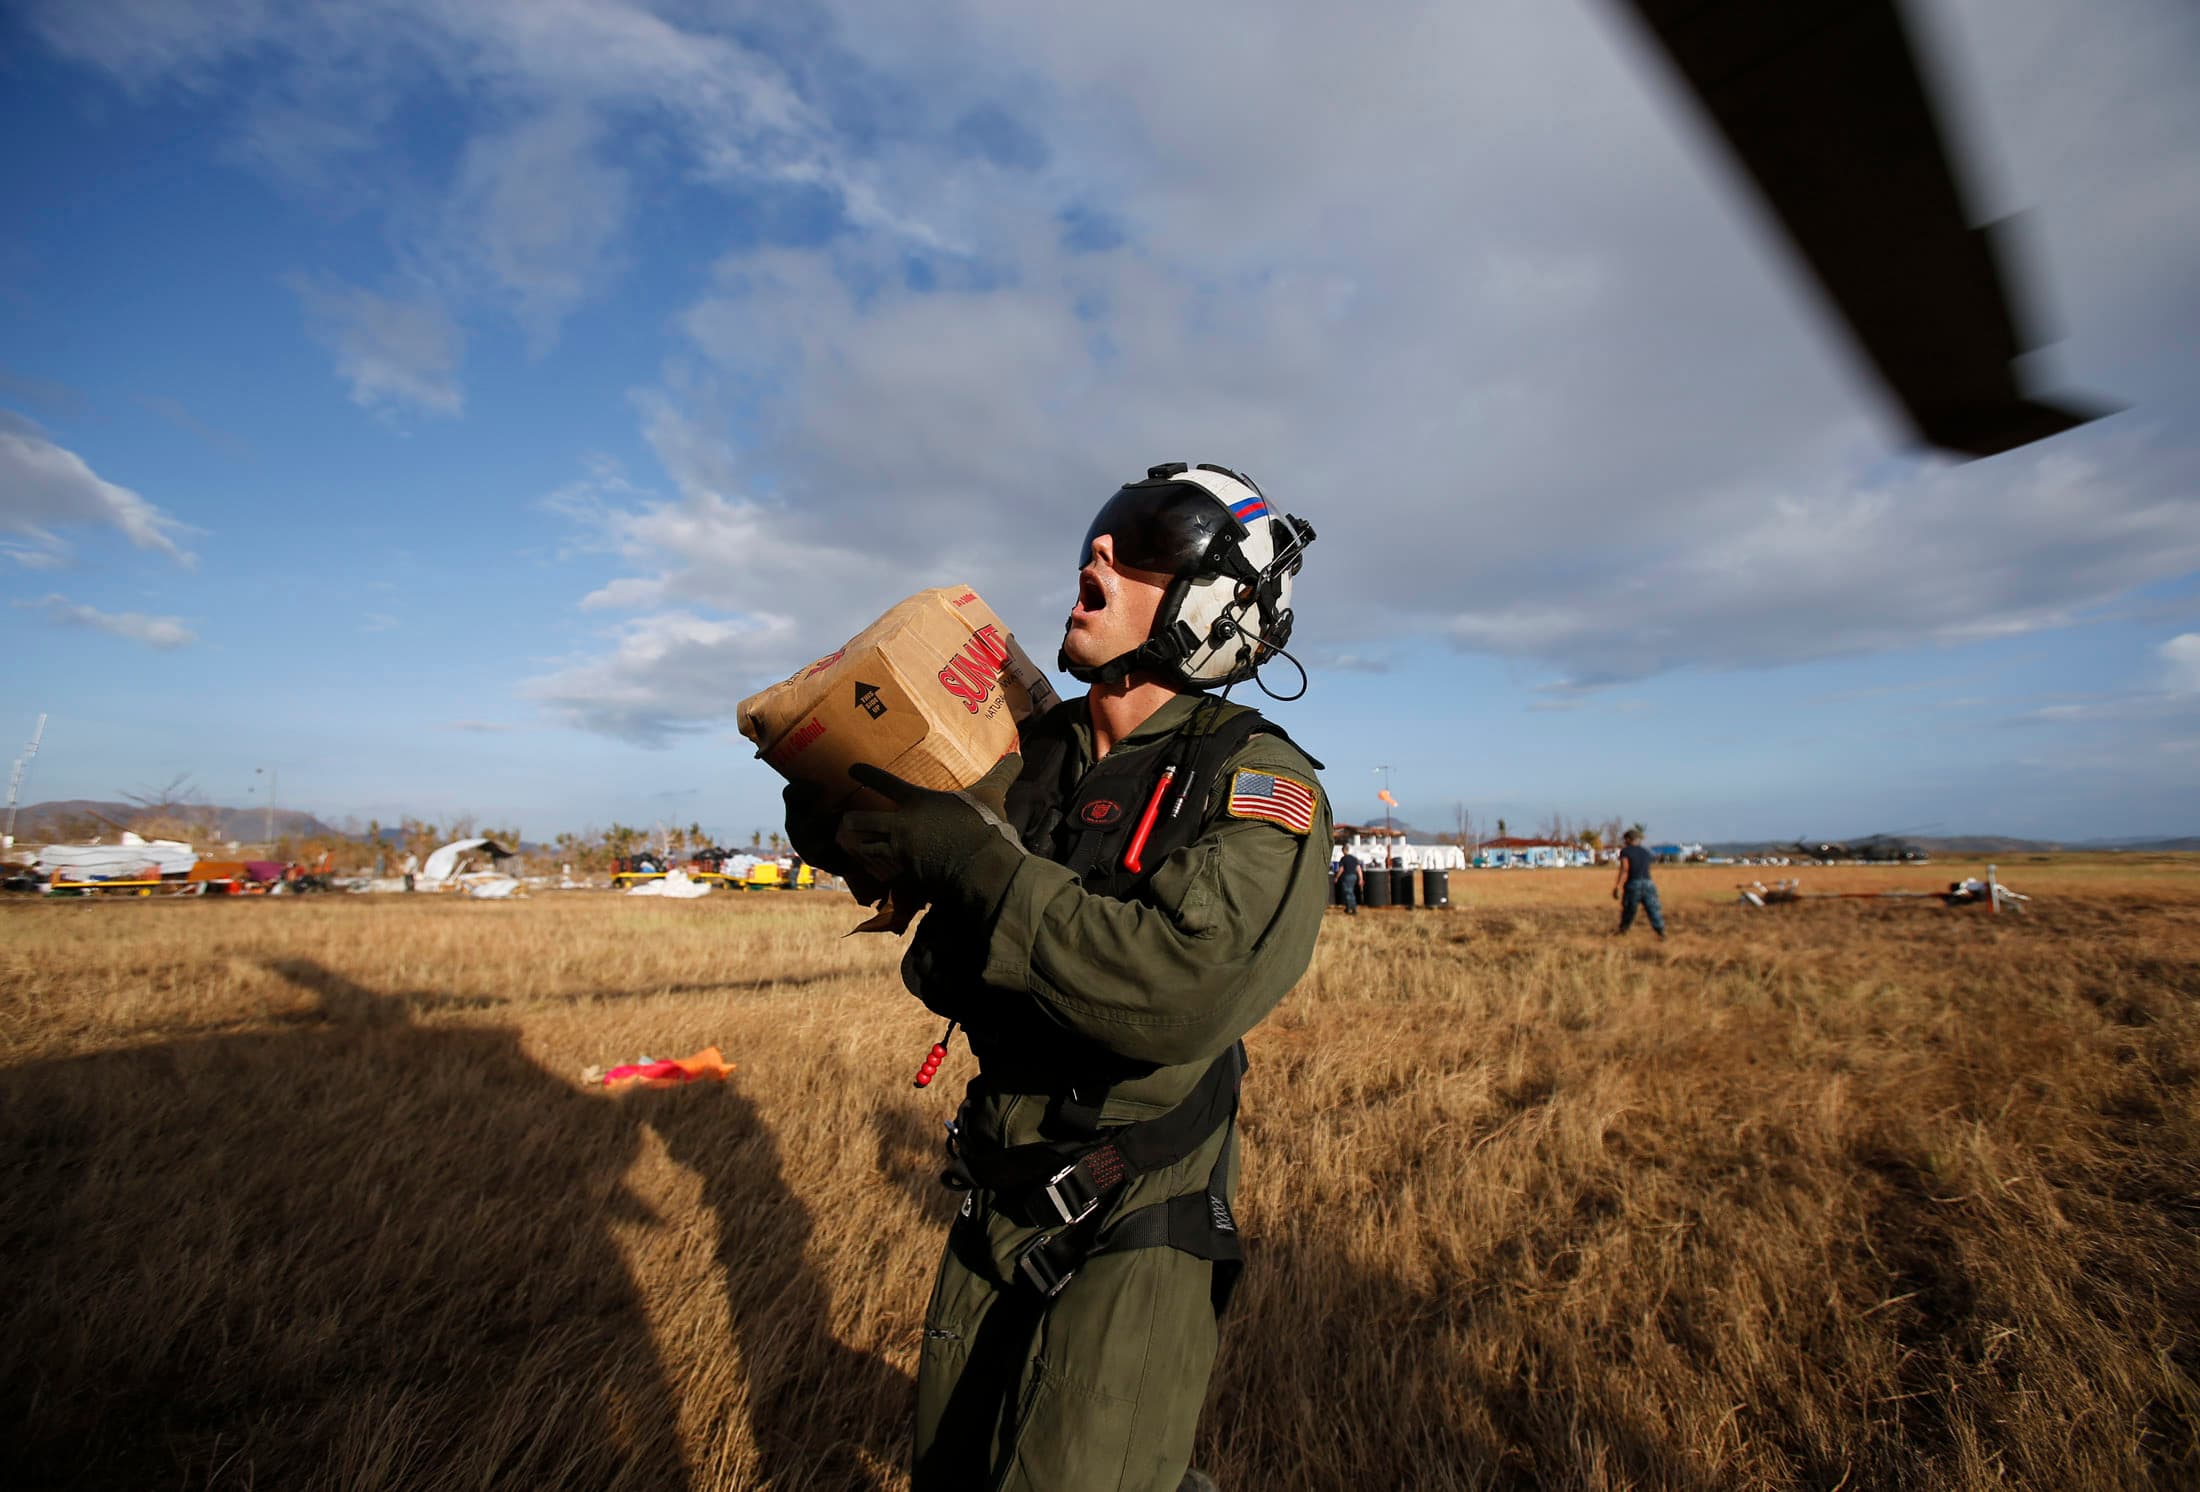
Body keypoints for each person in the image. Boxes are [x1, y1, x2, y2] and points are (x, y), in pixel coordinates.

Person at [789, 462, 1327, 1492]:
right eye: (1101, 531)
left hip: (1135, 1210)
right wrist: (840, 812)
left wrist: (978, 867)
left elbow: (1182, 990)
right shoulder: (1024, 756)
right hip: (995, 1191)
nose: (1098, 552)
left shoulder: (1257, 783)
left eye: (1145, 543)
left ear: (1211, 605)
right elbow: (938, 948)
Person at [1612, 827, 1666, 937]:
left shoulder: (1625, 851)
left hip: (1633, 884)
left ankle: (1623, 931)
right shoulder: (1645, 852)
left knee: (1629, 910)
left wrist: (1617, 886)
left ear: (1628, 839)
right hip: (1648, 883)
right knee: (1653, 909)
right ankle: (1661, 932)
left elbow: (1625, 869)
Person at [1332, 846, 1363, 914]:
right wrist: (1361, 879)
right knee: (1351, 892)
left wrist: (1337, 877)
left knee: (1348, 892)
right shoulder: (1354, 858)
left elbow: (1341, 869)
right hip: (1354, 876)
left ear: (1343, 851)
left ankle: (1350, 908)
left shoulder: (1343, 858)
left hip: (1347, 876)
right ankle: (1350, 908)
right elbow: (1358, 869)